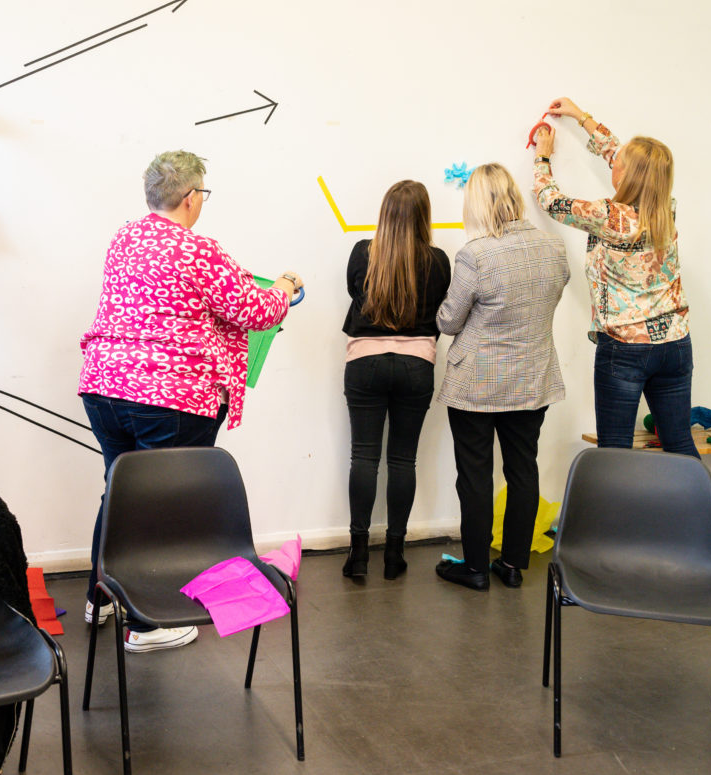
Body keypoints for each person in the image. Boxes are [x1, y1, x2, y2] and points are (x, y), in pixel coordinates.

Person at [78, 150, 301, 651]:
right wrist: (285, 288)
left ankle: (102, 598)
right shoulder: (200, 250)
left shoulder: (125, 237)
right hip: (169, 397)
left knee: (120, 492)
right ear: (191, 197)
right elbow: (255, 310)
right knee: (163, 507)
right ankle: (148, 626)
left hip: (104, 386)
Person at [532, 96, 699, 458]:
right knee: (679, 442)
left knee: (615, 452)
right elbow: (625, 157)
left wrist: (542, 156)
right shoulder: (665, 209)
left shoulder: (608, 216)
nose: (614, 160)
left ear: (625, 173)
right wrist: (581, 117)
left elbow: (550, 200)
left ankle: (617, 517)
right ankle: (697, 515)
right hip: (674, 343)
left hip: (625, 348)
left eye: (618, 163)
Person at [433, 165, 570, 590]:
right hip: (532, 378)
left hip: (476, 384)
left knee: (474, 475)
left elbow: (449, 321)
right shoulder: (554, 248)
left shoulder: (477, 254)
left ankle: (474, 568)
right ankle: (511, 565)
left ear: (478, 203)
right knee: (523, 469)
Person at [341, 180, 451, 579]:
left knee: (364, 457)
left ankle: (357, 555)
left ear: (385, 213)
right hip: (416, 365)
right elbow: (441, 310)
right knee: (403, 459)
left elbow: (356, 292)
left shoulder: (362, 253)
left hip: (365, 362)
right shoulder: (438, 261)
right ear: (425, 216)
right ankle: (394, 554)